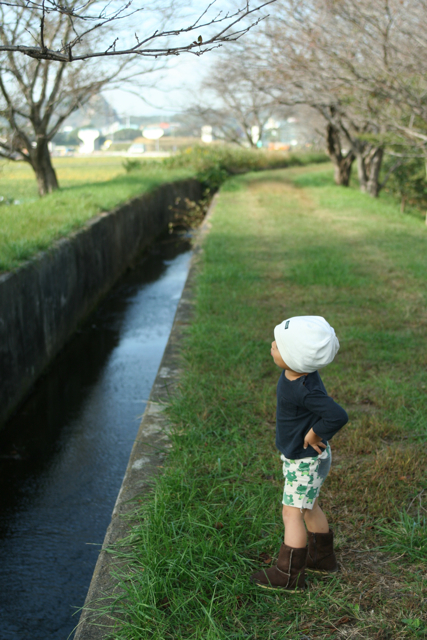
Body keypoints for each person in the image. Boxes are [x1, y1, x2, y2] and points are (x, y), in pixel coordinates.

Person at [250, 316, 348, 591]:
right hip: (302, 459)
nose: (272, 345)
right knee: (308, 507)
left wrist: (316, 433)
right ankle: (322, 560)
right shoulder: (301, 374)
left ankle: (289, 575)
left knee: (291, 514)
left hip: (305, 462)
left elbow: (338, 415)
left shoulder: (304, 389)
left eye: (279, 346)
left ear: (296, 359)